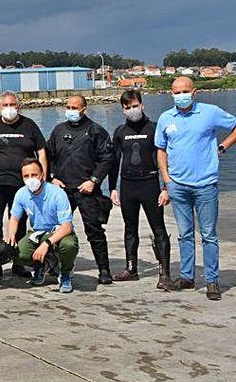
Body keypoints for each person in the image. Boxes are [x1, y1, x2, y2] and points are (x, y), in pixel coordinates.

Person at [155, 76, 236, 301]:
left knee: (209, 235)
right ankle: (187, 277)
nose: (179, 96)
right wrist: (167, 180)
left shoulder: (210, 112)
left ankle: (212, 281)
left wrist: (223, 145)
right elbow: (161, 151)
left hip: (205, 185)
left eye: (184, 91)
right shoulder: (165, 118)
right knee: (185, 234)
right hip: (178, 185)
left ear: (194, 92)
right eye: (175, 92)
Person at [48, 95, 116, 284]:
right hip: (62, 190)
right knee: (54, 228)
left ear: (84, 109)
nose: (70, 110)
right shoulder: (58, 130)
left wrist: (94, 180)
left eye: (74, 107)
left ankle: (104, 270)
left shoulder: (96, 130)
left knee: (94, 230)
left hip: (87, 189)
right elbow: (49, 156)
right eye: (67, 106)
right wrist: (53, 177)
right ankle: (53, 266)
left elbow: (107, 158)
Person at [0, 91, 47, 277]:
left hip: (22, 185)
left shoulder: (29, 125)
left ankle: (19, 261)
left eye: (12, 105)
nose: (9, 108)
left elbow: (41, 151)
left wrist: (43, 177)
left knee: (21, 222)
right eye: (5, 105)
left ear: (18, 106)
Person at [109, 90, 173, 289]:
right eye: (127, 107)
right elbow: (114, 162)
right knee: (130, 228)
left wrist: (166, 187)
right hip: (128, 186)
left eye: (134, 106)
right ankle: (131, 269)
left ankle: (164, 274)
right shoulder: (120, 131)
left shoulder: (154, 128)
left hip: (150, 185)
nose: (131, 110)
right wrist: (112, 188)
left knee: (159, 228)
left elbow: (164, 159)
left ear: (142, 105)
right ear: (123, 109)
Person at [5, 158, 79, 293]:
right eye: (26, 176)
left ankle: (66, 273)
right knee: (16, 253)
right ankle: (42, 265)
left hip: (59, 232)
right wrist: (11, 235)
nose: (30, 179)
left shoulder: (57, 193)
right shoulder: (21, 193)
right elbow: (14, 219)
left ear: (42, 175)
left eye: (34, 175)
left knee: (69, 245)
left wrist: (46, 245)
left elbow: (66, 226)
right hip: (38, 233)